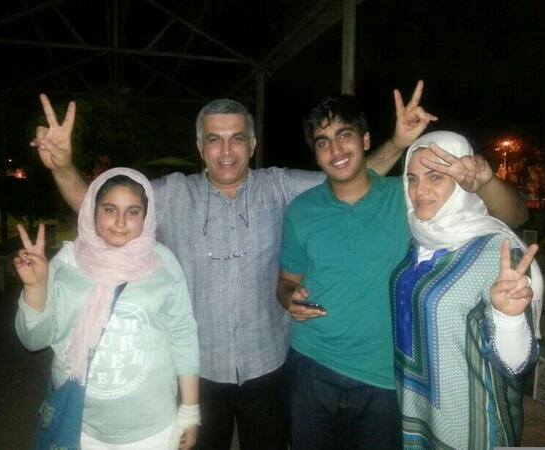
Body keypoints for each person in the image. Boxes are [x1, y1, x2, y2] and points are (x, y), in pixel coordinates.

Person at [30, 82, 439, 450]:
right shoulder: (172, 195)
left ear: (253, 143)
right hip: (200, 370)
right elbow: (99, 208)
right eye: (214, 140)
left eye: (236, 139)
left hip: (270, 366)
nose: (226, 151)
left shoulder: (279, 186)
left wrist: (398, 143)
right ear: (199, 146)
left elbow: (349, 174)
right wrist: (64, 167)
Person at [277, 97, 529, 450]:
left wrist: (484, 180)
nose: (335, 148)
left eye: (344, 134)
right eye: (323, 141)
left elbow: (514, 217)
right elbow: (287, 282)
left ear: (365, 140)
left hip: (384, 377)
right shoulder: (301, 210)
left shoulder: (408, 197)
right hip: (311, 366)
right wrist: (290, 298)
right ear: (315, 153)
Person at [15, 168, 200, 450]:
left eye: (134, 212)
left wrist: (189, 410)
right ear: (92, 210)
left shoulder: (162, 261)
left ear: (147, 216)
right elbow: (33, 340)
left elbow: (183, 334)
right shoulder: (68, 263)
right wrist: (35, 286)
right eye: (110, 209)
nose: (121, 222)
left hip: (152, 426)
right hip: (82, 424)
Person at [391, 130, 542, 449]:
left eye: (435, 177)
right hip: (417, 413)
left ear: (461, 182)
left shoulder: (495, 249)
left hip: (473, 425)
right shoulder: (420, 238)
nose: (420, 190)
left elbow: (517, 365)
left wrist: (510, 318)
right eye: (413, 179)